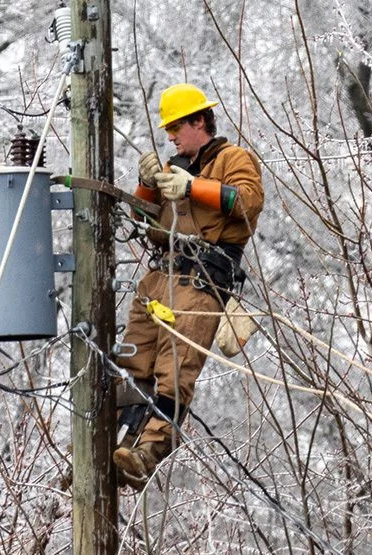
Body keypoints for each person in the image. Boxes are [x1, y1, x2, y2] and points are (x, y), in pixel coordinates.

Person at [113, 83, 265, 486]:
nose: (171, 136)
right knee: (132, 366)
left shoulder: (233, 159)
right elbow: (148, 228)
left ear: (200, 121)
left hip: (200, 283)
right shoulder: (173, 168)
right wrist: (147, 185)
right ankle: (114, 445)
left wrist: (192, 187)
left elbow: (247, 203)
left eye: (177, 126)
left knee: (173, 373)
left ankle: (148, 453)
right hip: (158, 279)